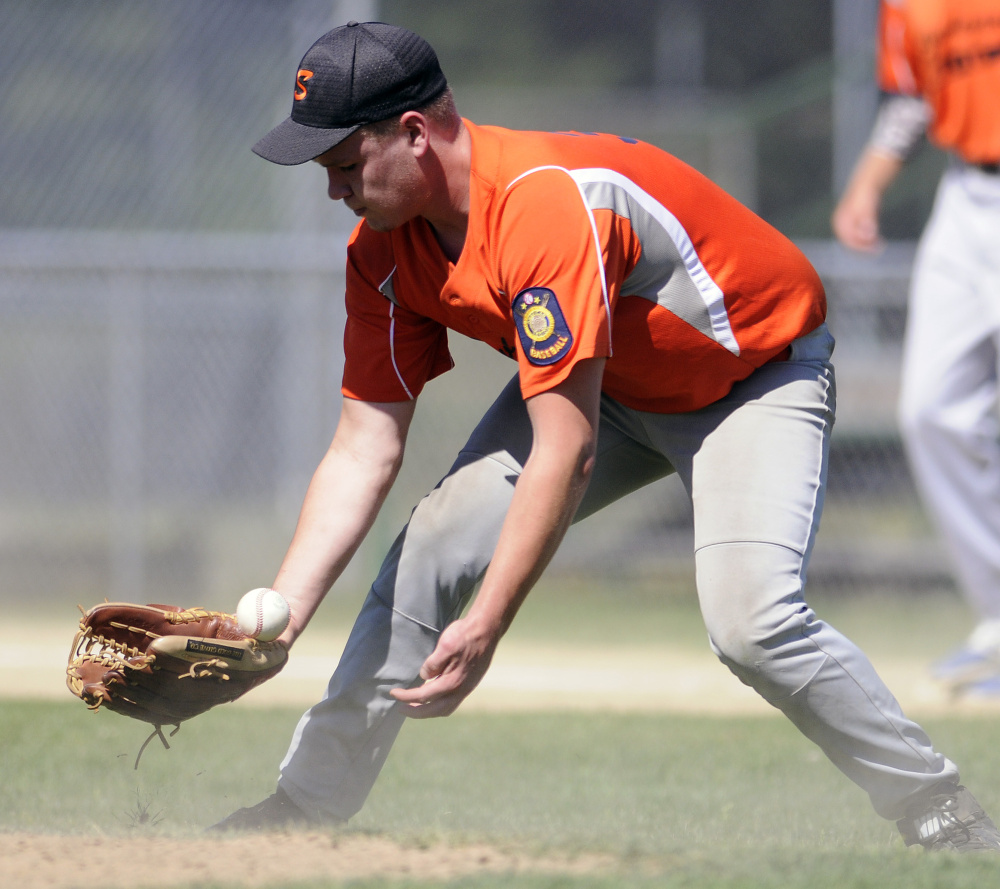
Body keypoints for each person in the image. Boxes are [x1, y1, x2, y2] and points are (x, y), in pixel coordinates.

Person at [213, 20, 1000, 851]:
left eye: (342, 163)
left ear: (413, 133)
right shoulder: (380, 250)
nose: (333, 188)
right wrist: (280, 621)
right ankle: (305, 805)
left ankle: (935, 805)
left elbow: (568, 450)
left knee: (752, 623)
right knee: (431, 548)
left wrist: (486, 622)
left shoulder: (544, 203)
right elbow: (363, 447)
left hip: (751, 379)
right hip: (613, 385)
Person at [832, 0, 1000, 697]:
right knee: (931, 409)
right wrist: (868, 184)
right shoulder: (908, 4)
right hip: (969, 196)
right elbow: (911, 96)